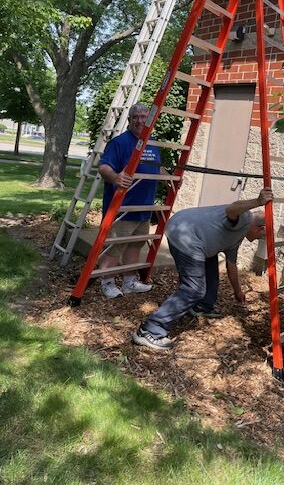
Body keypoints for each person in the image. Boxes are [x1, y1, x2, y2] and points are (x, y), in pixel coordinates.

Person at [132, 187, 274, 350]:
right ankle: (150, 330)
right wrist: (257, 202)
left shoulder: (236, 238)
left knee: (210, 265)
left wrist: (238, 291)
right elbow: (232, 209)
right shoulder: (245, 218)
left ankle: (202, 306)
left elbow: (231, 265)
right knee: (193, 289)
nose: (259, 239)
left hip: (193, 234)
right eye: (262, 236)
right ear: (260, 227)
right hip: (185, 235)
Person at [97, 102, 168, 299]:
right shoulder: (120, 143)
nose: (140, 120)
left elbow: (156, 168)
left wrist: (171, 179)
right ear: (129, 120)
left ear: (150, 120)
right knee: (116, 246)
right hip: (123, 208)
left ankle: (129, 282)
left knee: (136, 244)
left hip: (144, 207)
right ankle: (107, 282)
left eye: (144, 117)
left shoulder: (152, 143)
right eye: (135, 117)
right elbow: (103, 167)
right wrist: (116, 177)